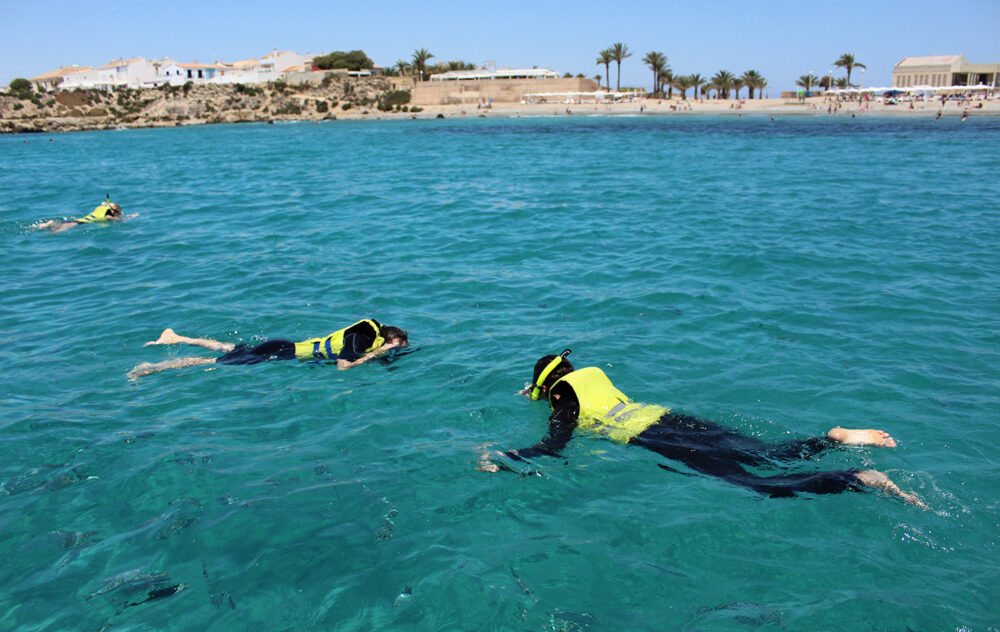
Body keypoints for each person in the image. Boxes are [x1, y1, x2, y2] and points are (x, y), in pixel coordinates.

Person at [477, 352, 925, 507]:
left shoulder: (564, 403)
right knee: (771, 452)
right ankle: (831, 439)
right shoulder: (592, 380)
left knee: (752, 483)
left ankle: (854, 479)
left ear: (551, 391)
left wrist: (505, 457)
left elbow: (554, 446)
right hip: (672, 418)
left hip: (657, 439)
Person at [128, 318, 408, 379]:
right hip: (282, 351)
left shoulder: (367, 337)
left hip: (282, 347)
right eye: (393, 348)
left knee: (232, 348)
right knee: (214, 362)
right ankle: (150, 369)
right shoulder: (361, 340)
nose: (392, 352)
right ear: (385, 340)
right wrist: (372, 357)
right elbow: (343, 366)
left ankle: (175, 336)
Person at [36, 195, 134, 233]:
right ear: (114, 212)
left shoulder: (102, 207)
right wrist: (128, 218)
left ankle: (47, 225)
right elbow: (117, 219)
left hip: (80, 220)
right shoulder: (108, 215)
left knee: (59, 226)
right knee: (58, 231)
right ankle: (50, 225)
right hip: (82, 223)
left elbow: (104, 204)